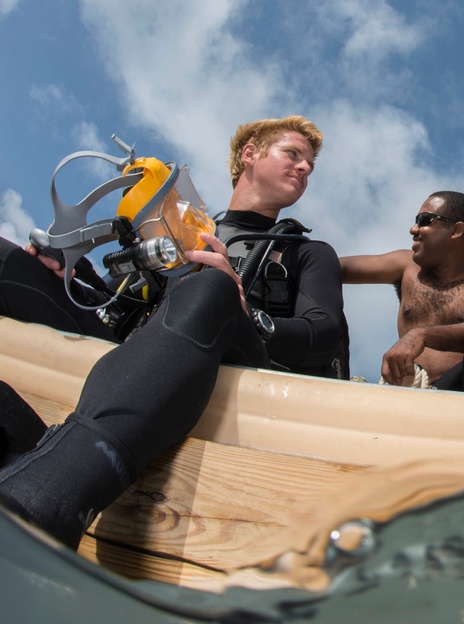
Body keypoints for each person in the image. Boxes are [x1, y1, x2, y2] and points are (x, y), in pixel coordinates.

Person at [0, 115, 349, 549]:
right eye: (293, 154)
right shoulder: (178, 228)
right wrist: (66, 274)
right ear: (249, 154)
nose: (304, 169)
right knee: (9, 261)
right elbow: (117, 305)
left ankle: (48, 500)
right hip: (134, 359)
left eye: (310, 166)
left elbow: (324, 332)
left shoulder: (307, 253)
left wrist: (246, 312)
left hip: (235, 363)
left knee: (211, 287)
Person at [339, 191, 464, 393]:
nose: (413, 229)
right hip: (410, 395)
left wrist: (421, 335)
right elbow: (331, 268)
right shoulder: (406, 265)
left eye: (424, 220)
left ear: (456, 230)